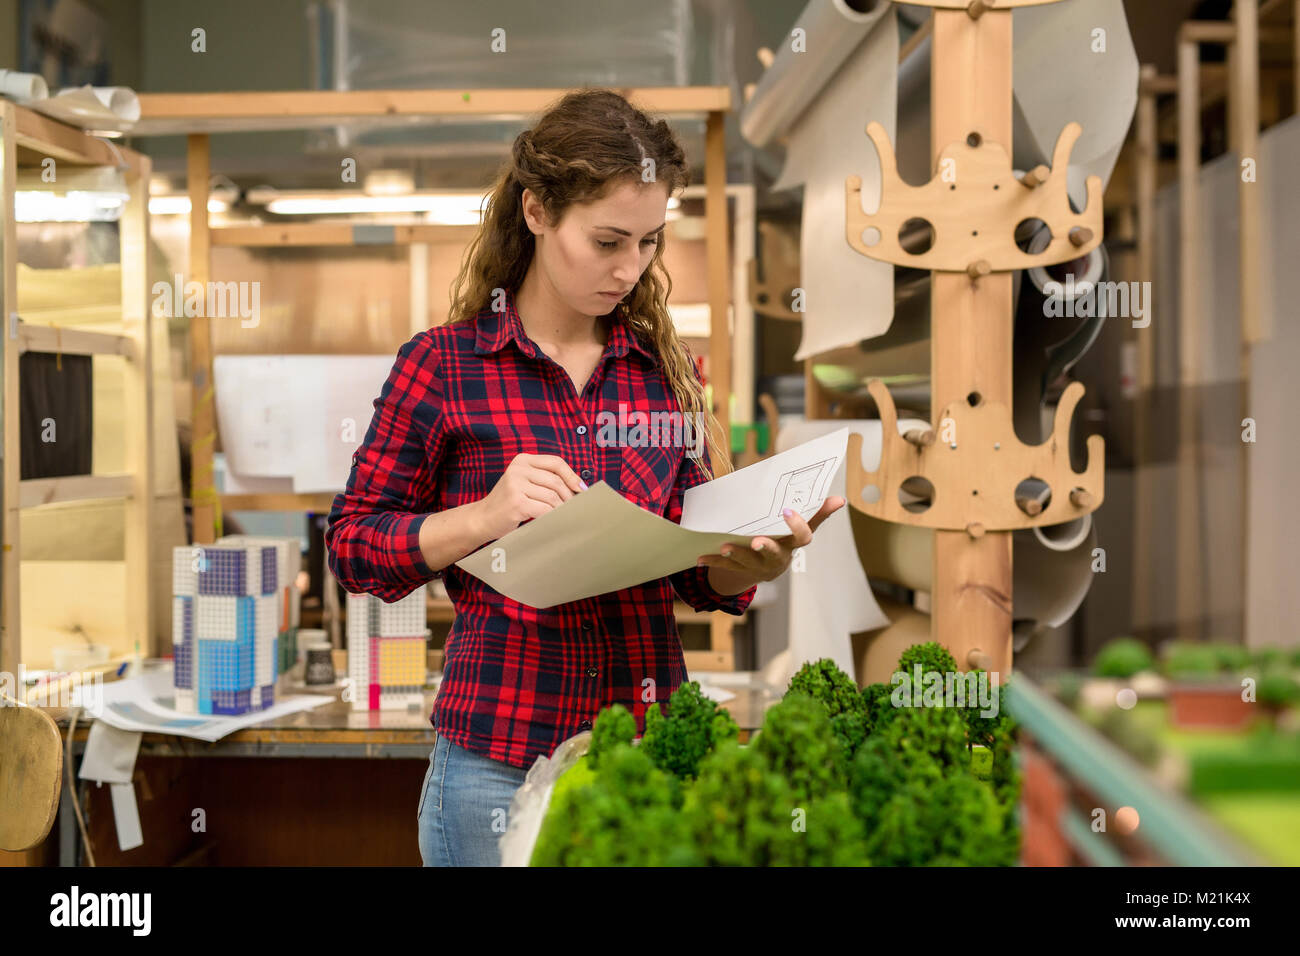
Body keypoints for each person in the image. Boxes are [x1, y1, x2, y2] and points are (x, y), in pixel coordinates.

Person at [324, 89, 844, 867]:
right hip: (496, 761)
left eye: (648, 243)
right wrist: (484, 516)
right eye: (607, 241)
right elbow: (355, 547)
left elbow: (694, 569)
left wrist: (745, 565)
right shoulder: (442, 366)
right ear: (536, 212)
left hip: (647, 756)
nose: (629, 269)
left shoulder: (667, 375)